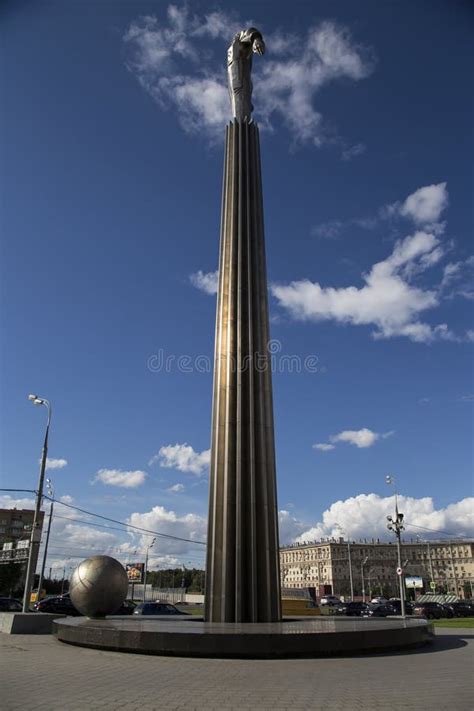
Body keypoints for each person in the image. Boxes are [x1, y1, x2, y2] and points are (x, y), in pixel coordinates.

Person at [227, 28, 265, 120]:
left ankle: (242, 120)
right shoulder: (234, 46)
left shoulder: (240, 41)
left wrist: (256, 38)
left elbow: (247, 32)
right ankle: (240, 120)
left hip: (241, 71)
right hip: (234, 69)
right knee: (235, 93)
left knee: (240, 91)